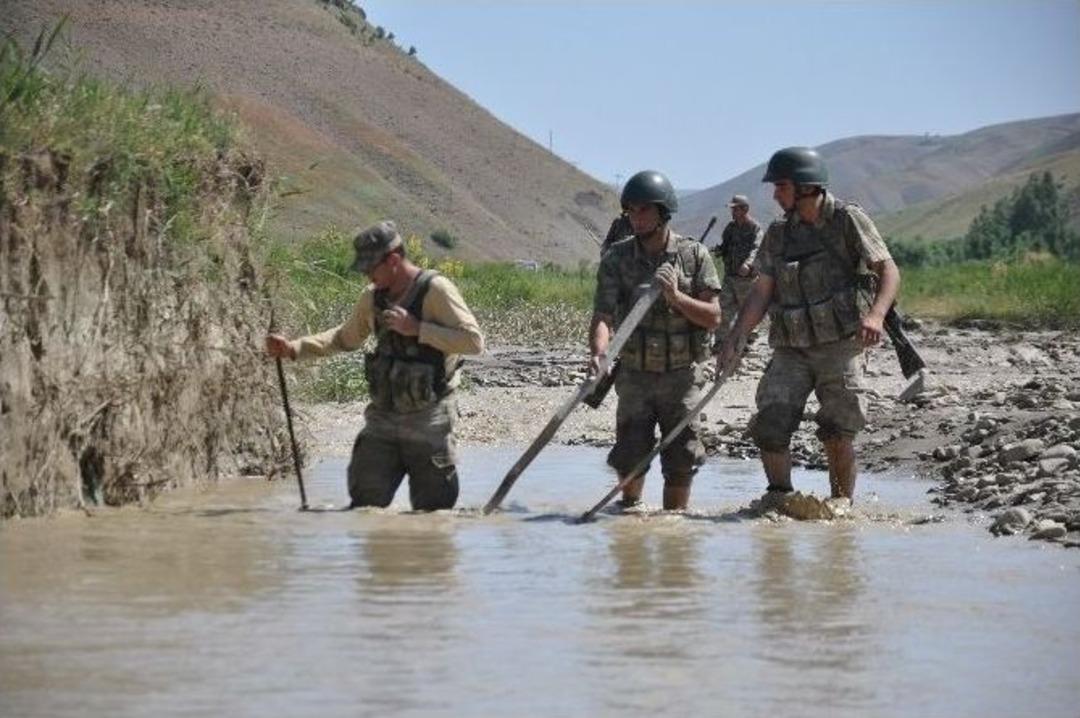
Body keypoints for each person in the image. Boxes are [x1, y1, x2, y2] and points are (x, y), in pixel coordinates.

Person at [717, 147, 900, 506]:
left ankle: (840, 507)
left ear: (806, 186)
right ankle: (779, 500)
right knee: (770, 424)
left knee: (837, 430)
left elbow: (888, 269)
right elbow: (762, 292)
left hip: (840, 344)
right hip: (791, 348)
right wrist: (735, 336)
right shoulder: (778, 233)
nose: (775, 194)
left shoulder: (847, 219)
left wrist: (876, 315)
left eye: (781, 186)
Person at [265, 220, 484, 511]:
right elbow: (344, 338)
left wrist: (417, 328)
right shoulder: (372, 297)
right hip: (383, 419)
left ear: (393, 260)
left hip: (429, 418)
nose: (367, 275)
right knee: (364, 503)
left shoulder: (436, 290)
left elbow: (473, 342)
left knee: (434, 512)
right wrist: (294, 348)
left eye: (370, 268)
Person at [590, 170, 722, 510]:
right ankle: (629, 517)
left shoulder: (694, 256)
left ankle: (673, 524)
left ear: (663, 212)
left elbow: (713, 317)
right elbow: (603, 316)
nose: (636, 218)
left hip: (682, 376)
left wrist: (676, 297)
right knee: (630, 456)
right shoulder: (617, 258)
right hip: (635, 376)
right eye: (631, 211)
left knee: (682, 460)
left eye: (644, 210)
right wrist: (600, 353)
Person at [712, 194, 764, 351]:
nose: (733, 212)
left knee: (747, 310)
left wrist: (748, 264)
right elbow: (726, 245)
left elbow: (757, 249)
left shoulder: (755, 228)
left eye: (736, 209)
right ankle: (721, 341)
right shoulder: (730, 228)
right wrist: (720, 250)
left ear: (745, 209)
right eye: (732, 209)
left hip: (746, 279)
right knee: (724, 308)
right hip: (730, 276)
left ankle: (748, 341)